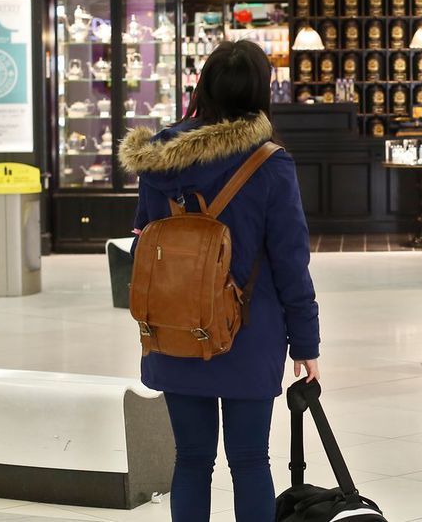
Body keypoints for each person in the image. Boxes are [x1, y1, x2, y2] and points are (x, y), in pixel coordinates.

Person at [120, 40, 320, 522]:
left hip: (175, 326)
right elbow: (292, 261)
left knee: (191, 459)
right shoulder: (270, 163)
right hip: (251, 331)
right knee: (250, 460)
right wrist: (306, 344)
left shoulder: (159, 157)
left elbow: (145, 238)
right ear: (260, 92)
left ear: (202, 85)